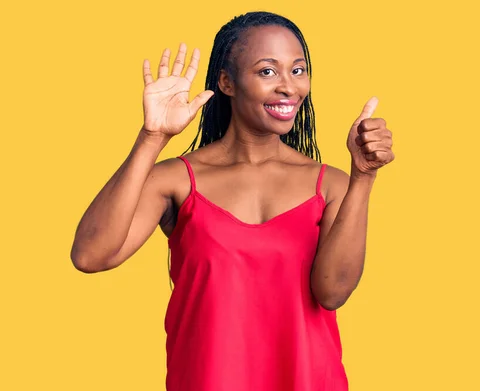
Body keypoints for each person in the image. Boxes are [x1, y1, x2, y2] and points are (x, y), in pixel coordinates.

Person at [70, 11, 394, 391]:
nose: (289, 87)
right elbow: (90, 256)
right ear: (227, 82)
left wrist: (364, 177)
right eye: (267, 72)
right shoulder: (177, 179)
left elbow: (333, 291)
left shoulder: (332, 186)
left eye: (298, 70)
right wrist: (152, 137)